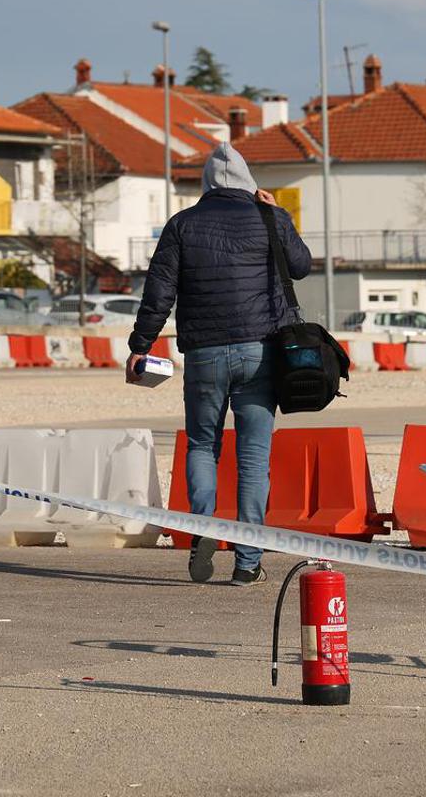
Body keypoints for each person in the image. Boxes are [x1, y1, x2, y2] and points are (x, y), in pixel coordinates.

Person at [127, 143, 311, 585]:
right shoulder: (268, 217)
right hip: (261, 349)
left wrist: (141, 343)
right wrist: (279, 214)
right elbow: (302, 266)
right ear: (247, 181)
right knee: (253, 458)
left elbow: (160, 292)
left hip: (205, 352)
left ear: (207, 183)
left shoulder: (182, 225)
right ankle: (248, 563)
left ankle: (204, 530)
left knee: (202, 445)